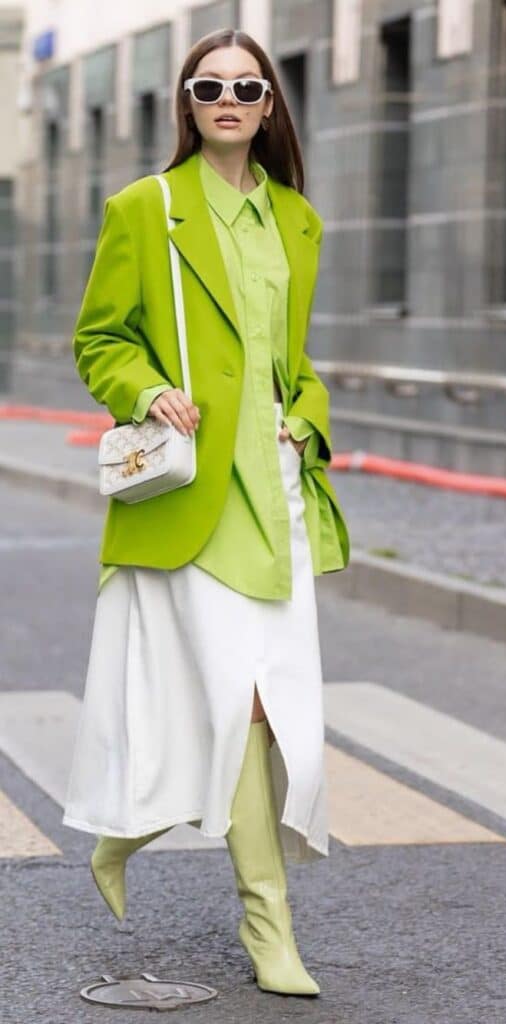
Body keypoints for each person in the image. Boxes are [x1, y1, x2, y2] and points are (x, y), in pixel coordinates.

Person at [62, 26, 349, 997]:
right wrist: (146, 391)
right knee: (243, 699)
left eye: (247, 86)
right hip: (194, 492)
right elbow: (102, 339)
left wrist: (308, 423)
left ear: (270, 106)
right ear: (184, 104)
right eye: (207, 85)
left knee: (268, 710)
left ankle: (130, 827)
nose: (227, 99)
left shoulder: (296, 221)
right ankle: (269, 923)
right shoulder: (145, 210)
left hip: (275, 493)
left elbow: (294, 367)